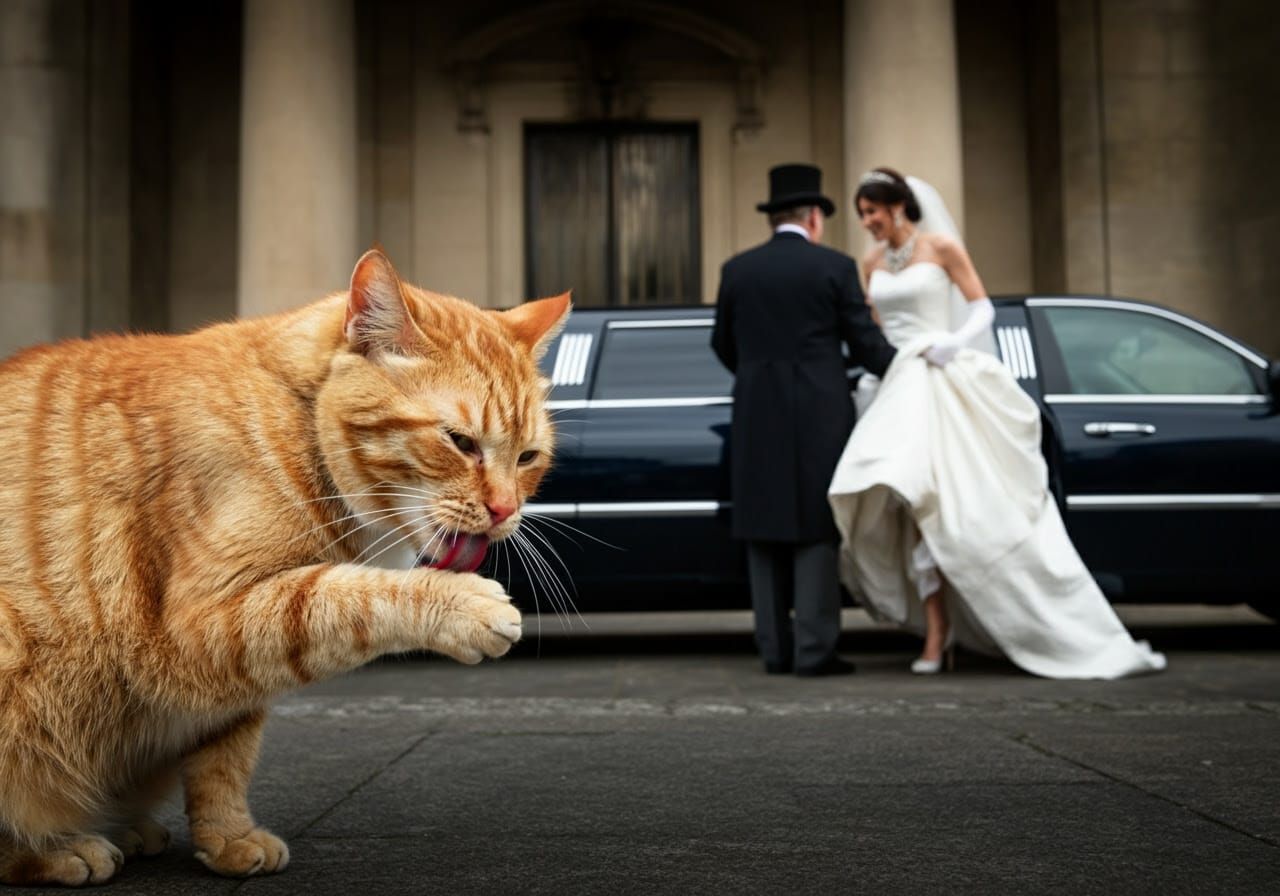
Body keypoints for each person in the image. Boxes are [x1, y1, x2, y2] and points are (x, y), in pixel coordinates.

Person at [828, 167, 1166, 679]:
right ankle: (936, 631)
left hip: (945, 380)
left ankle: (966, 631)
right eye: (862, 215)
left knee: (953, 508)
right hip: (896, 391)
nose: (867, 223)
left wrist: (952, 344)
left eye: (872, 211)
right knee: (912, 509)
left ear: (897, 206)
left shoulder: (941, 248)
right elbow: (872, 330)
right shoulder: (870, 263)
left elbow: (982, 308)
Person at [712, 163, 897, 677]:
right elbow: (865, 343)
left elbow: (721, 344)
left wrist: (758, 376)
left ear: (776, 218)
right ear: (815, 217)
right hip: (821, 413)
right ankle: (815, 651)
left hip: (755, 412)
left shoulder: (737, 269)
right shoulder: (834, 267)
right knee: (816, 526)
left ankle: (774, 648)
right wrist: (907, 365)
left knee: (763, 526)